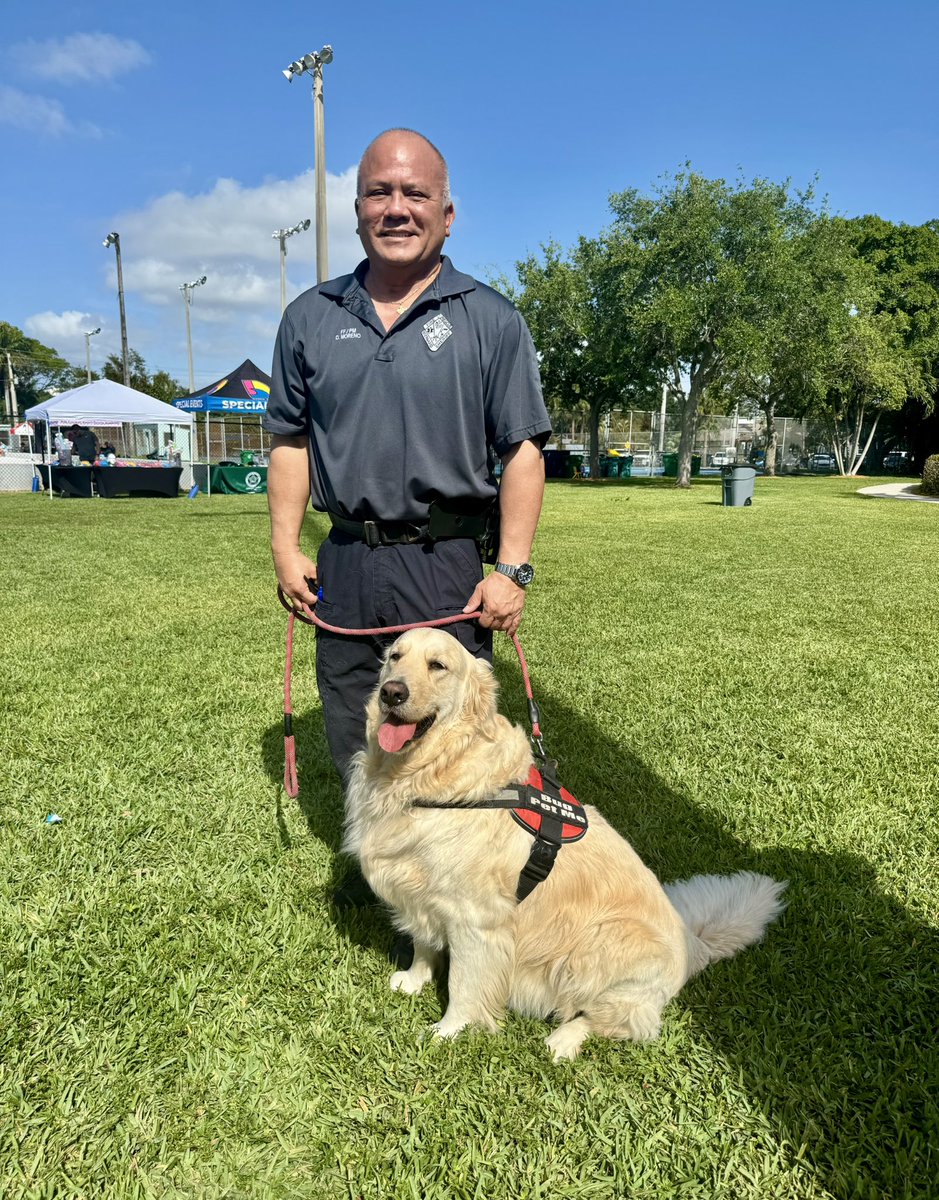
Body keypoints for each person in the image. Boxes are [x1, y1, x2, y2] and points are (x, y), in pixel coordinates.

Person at [264, 128, 551, 786]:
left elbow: (523, 451)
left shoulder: (491, 319)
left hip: (442, 563)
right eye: (379, 193)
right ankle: (375, 861)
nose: (396, 208)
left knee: (450, 730)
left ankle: (451, 870)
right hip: (344, 564)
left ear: (446, 216)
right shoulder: (308, 318)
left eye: (415, 193)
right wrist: (285, 547)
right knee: (352, 714)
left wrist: (510, 569)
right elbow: (289, 441)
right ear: (358, 210)